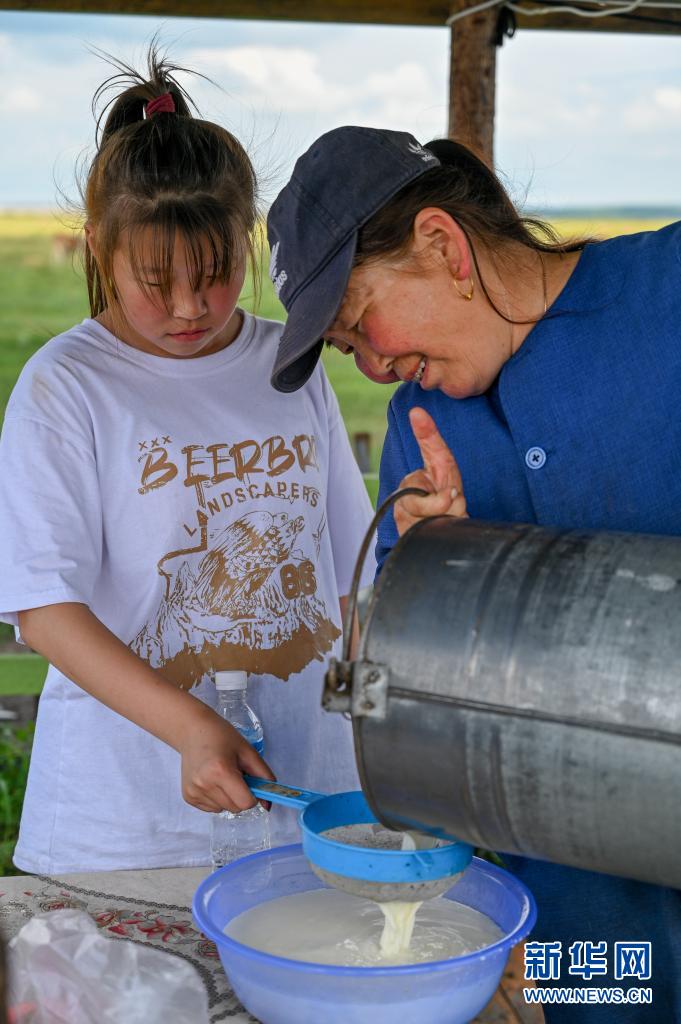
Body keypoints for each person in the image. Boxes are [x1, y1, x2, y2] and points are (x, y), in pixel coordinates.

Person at [265, 126, 681, 1019]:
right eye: (345, 351)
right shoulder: (422, 440)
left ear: (442, 247)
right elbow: (404, 690)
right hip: (587, 939)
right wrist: (441, 578)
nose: (374, 367)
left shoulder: (668, 293)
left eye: (360, 323)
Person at [0, 55, 374, 874]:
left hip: (305, 800)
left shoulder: (287, 365)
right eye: (154, 280)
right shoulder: (67, 387)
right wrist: (190, 726)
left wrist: (377, 723)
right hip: (124, 826)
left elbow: (348, 575)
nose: (188, 307)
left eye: (215, 274)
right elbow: (44, 608)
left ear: (248, 240)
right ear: (98, 247)